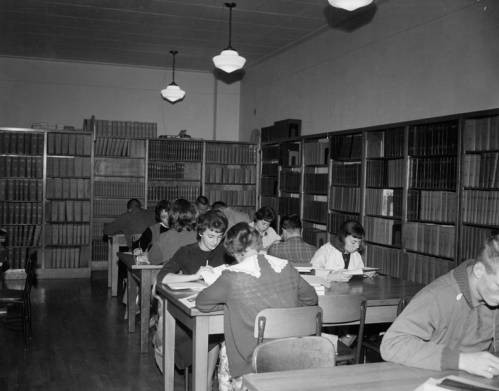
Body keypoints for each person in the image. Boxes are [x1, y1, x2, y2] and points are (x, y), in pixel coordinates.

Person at [196, 222, 318, 389]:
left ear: (233, 251)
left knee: (225, 349)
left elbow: (202, 303)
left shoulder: (232, 276)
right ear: (258, 244)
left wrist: (230, 305)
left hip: (250, 361)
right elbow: (311, 299)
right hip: (289, 353)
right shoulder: (285, 266)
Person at [380, 237, 499, 379]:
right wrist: (462, 360)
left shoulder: (491, 296)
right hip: (428, 378)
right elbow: (391, 344)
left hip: (475, 379)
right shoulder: (438, 295)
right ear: (479, 270)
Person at [153, 209, 233, 386]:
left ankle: (205, 383)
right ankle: (203, 383)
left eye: (220, 236)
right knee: (211, 339)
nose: (216, 241)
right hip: (190, 314)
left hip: (219, 309)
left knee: (219, 335)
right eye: (211, 236)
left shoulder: (226, 251)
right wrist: (195, 276)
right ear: (200, 232)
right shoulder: (186, 252)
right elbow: (162, 277)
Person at [147, 199, 197, 265]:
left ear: (171, 216)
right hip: (194, 274)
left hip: (172, 274)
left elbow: (152, 259)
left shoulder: (164, 237)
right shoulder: (199, 236)